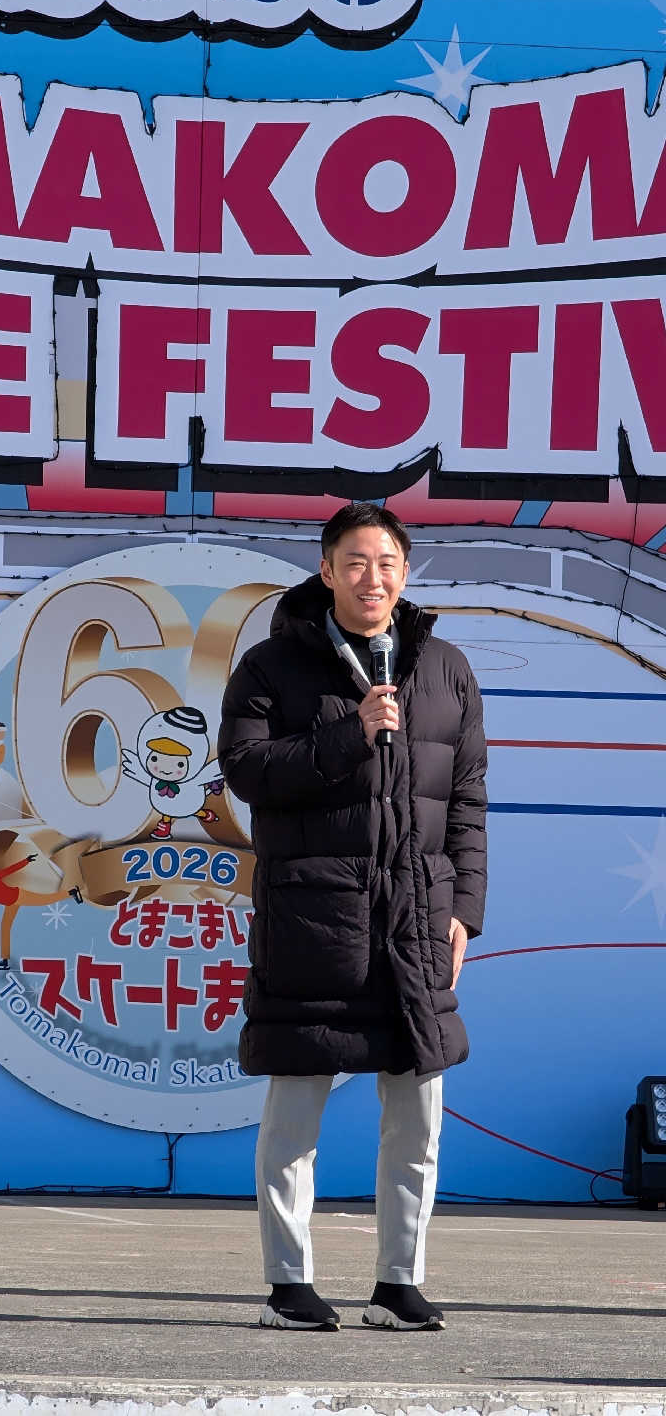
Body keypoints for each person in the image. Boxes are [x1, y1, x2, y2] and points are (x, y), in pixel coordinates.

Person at [218, 502, 487, 1333]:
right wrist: (352, 733)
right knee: (297, 1104)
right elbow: (247, 772)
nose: (375, 578)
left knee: (418, 1111)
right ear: (326, 570)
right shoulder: (270, 667)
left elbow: (468, 801)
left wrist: (465, 912)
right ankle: (288, 1284)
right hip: (313, 920)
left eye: (389, 562)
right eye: (357, 562)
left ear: (407, 572)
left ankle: (397, 1282)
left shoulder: (442, 668)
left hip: (415, 918)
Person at [0, 852, 84, 969]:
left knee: (45, 900)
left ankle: (71, 892)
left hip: (19, 896)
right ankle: (5, 960)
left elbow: (10, 869)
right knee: (4, 927)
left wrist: (26, 861)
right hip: (11, 904)